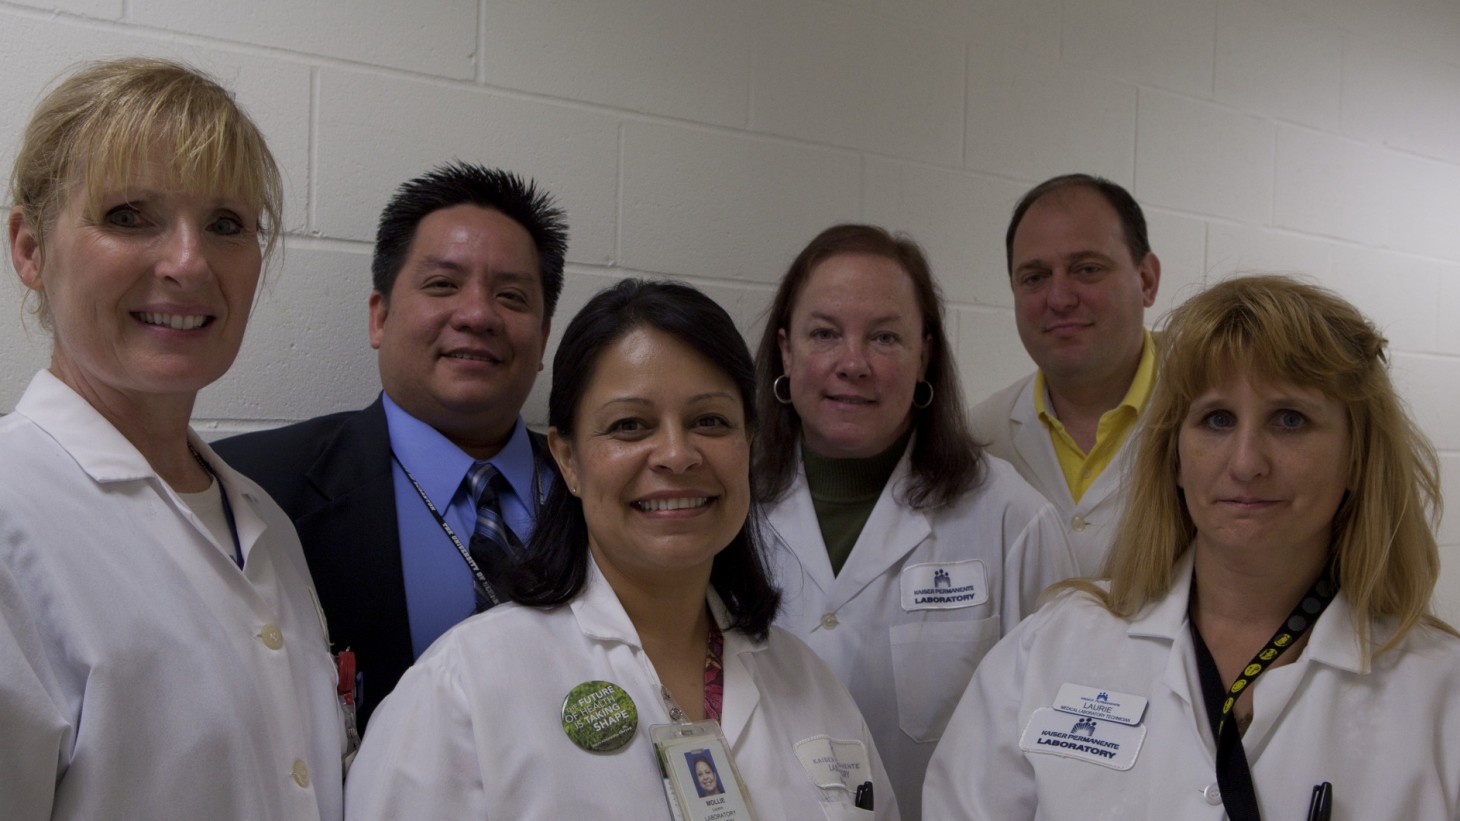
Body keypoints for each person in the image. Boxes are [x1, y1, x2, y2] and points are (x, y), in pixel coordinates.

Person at [346, 279, 898, 819]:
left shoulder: (810, 684)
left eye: (710, 421)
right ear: (567, 459)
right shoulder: (463, 688)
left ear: (747, 443)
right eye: (630, 425)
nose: (677, 455)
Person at [926, 275, 1460, 819]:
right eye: (1217, 419)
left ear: (1358, 458)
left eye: (1290, 420)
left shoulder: (1441, 694)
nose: (1246, 463)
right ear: (1175, 458)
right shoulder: (1051, 647)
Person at [1, 58, 344, 820]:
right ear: (29, 248)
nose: (189, 262)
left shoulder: (266, 523)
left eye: (226, 224)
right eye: (129, 215)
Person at [215, 162, 567, 730]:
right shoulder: (247, 487)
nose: (478, 315)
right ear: (379, 318)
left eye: (511, 295)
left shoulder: (603, 492)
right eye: (443, 285)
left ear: (543, 337)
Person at [753, 223, 1076, 819]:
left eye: (884, 337)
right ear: (785, 351)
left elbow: (1059, 747)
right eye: (824, 333)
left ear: (924, 355)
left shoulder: (1011, 520)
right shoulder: (726, 508)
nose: (853, 363)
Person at [969, 174, 1161, 575]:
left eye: (1087, 269)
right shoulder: (979, 438)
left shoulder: (1216, 409)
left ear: (1146, 280)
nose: (1059, 298)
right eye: (1034, 277)